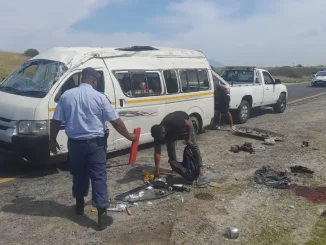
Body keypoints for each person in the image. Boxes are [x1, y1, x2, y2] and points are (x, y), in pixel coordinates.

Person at [50, 67, 136, 231]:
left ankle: (79, 206)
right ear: (95, 81)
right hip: (95, 145)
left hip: (75, 144)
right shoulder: (100, 97)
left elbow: (56, 121)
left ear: (82, 78)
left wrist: (52, 140)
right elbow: (116, 122)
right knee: (98, 176)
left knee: (78, 173)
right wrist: (129, 137)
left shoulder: (66, 96)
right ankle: (102, 217)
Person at [150, 111, 204, 183]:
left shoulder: (177, 123)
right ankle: (175, 168)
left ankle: (200, 168)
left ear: (163, 133)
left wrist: (189, 139)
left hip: (185, 126)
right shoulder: (157, 132)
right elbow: (157, 152)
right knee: (170, 147)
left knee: (193, 145)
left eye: (161, 138)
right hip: (171, 130)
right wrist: (157, 170)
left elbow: (190, 124)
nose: (160, 140)